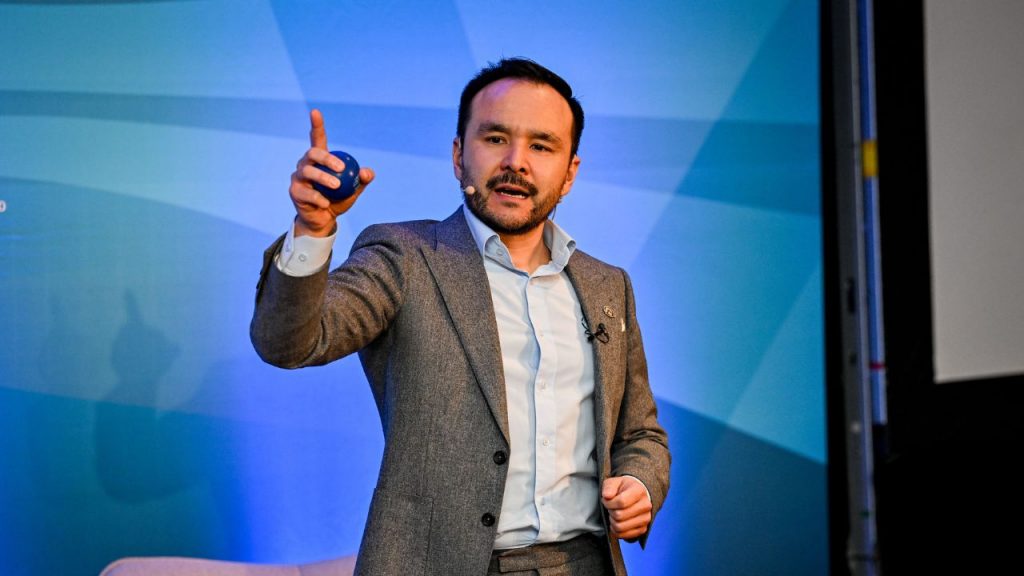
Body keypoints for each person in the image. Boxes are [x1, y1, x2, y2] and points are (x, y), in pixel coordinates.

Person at [251, 57, 670, 576]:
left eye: (541, 146)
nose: (516, 161)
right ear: (458, 155)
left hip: (586, 563)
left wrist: (640, 484)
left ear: (569, 173)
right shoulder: (405, 257)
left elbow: (641, 435)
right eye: (495, 138)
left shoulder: (608, 286)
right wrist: (313, 231)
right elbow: (290, 343)